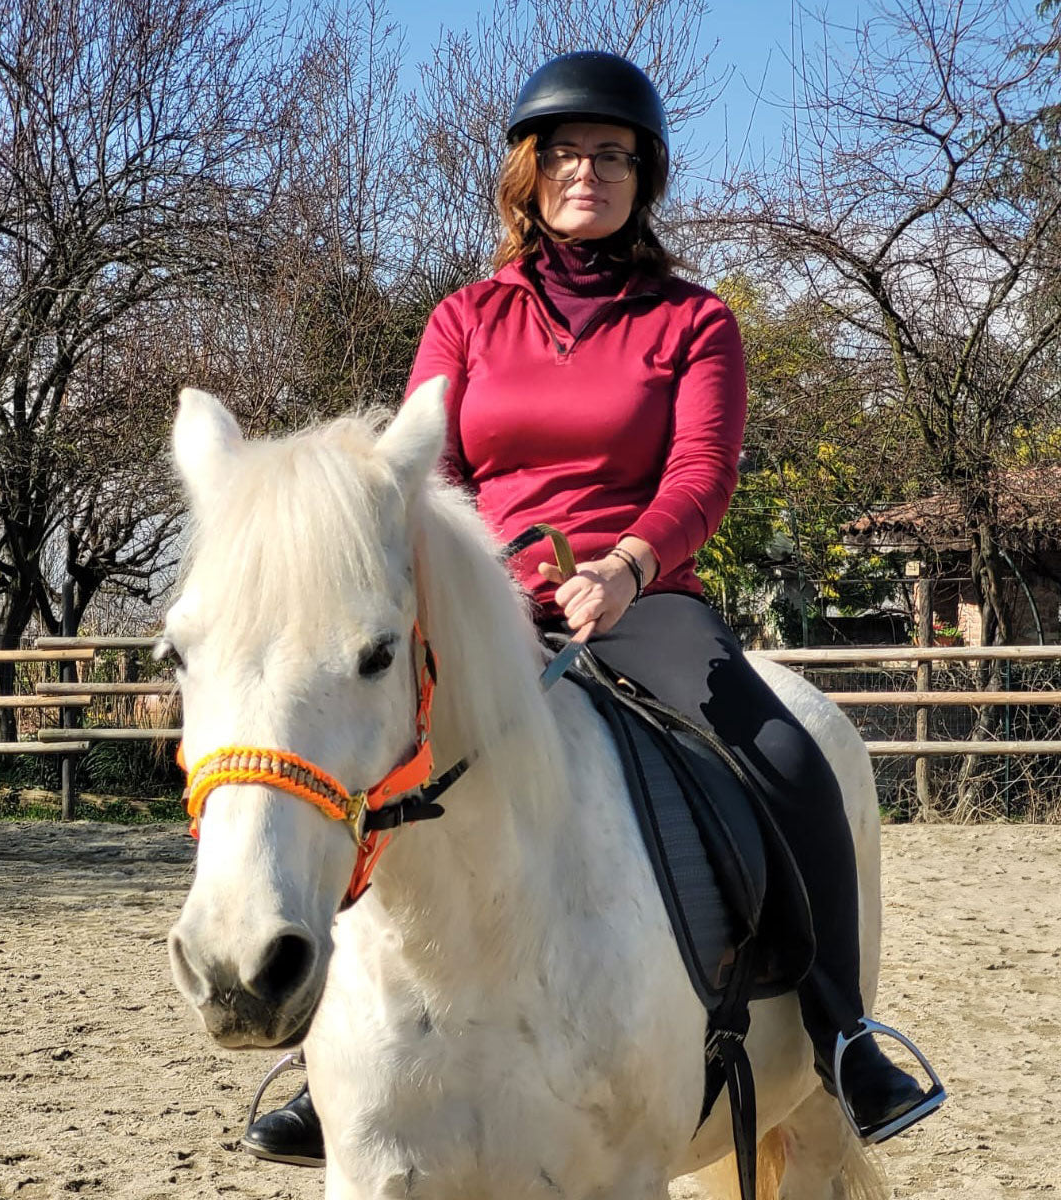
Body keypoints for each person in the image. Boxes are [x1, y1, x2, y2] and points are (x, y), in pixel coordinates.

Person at [242, 48, 944, 1168]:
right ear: (531, 171)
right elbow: (424, 478)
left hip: (644, 595)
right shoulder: (468, 317)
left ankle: (842, 1029)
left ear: (642, 176)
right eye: (567, 152)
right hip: (489, 605)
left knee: (784, 750)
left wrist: (626, 564)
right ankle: (328, 1061)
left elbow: (703, 472)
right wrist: (471, 590)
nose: (590, 171)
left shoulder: (692, 321)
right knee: (365, 751)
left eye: (614, 155)